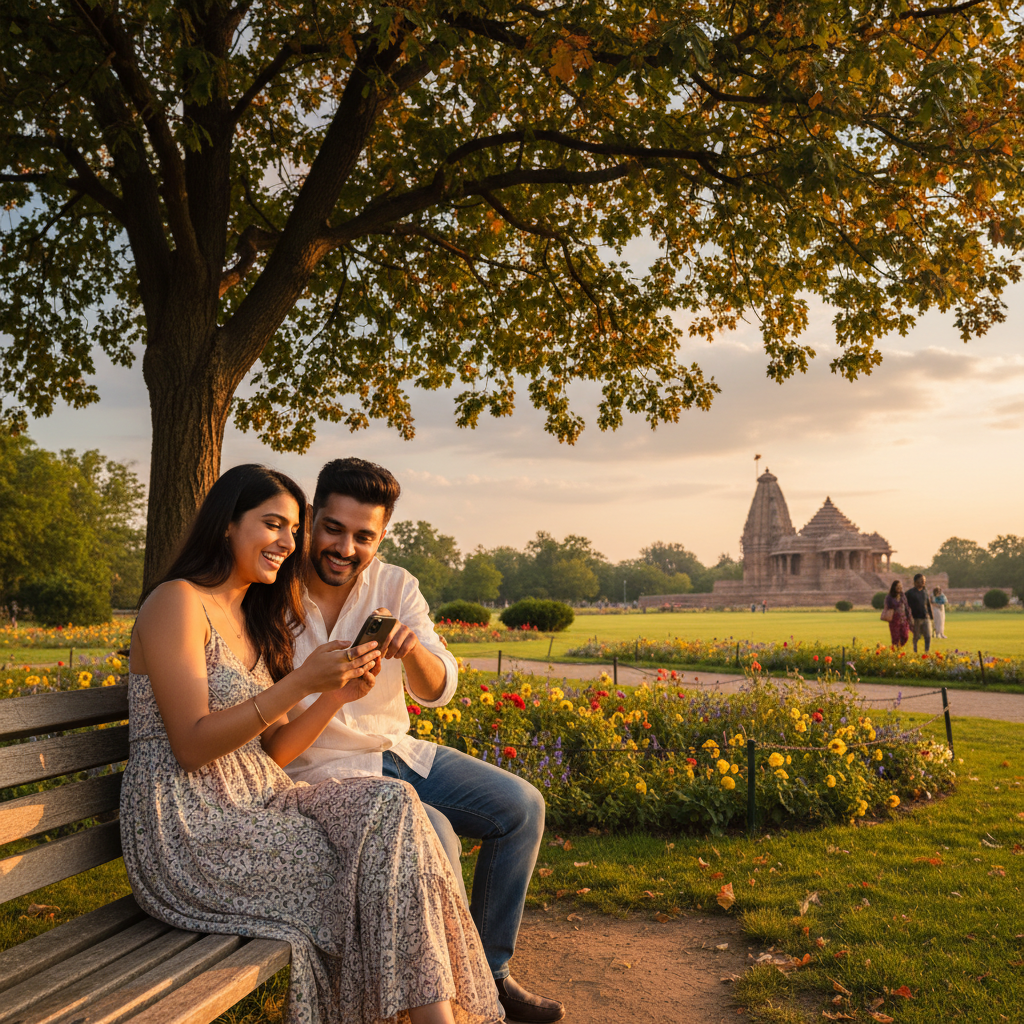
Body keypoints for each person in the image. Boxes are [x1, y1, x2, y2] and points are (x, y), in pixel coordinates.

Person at [120, 465, 501, 1024]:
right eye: (273, 524)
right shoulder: (177, 602)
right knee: (382, 866)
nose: (287, 543)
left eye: (294, 530)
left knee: (392, 806)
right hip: (191, 827)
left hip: (256, 802)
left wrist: (333, 695)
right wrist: (298, 684)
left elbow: (270, 752)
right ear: (226, 524)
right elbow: (192, 747)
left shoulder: (249, 615)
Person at [284, 458, 564, 1024]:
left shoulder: (394, 584)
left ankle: (490, 976)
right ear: (312, 519)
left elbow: (440, 688)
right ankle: (445, 997)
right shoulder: (274, 592)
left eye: (363, 536)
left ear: (380, 536)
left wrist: (411, 649)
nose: (345, 547)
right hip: (326, 771)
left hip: (398, 751)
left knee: (522, 806)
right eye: (333, 529)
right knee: (436, 835)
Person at [905, 573, 933, 653]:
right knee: (916, 636)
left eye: (924, 581)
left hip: (925, 617)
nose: (923, 582)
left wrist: (931, 616)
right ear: (915, 582)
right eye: (921, 581)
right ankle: (915, 651)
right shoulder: (910, 593)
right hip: (916, 618)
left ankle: (927, 651)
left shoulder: (925, 592)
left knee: (928, 635)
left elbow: (928, 604)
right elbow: (904, 604)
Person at [883, 580, 912, 648]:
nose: (899, 588)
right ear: (894, 587)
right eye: (898, 586)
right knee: (895, 637)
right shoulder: (890, 597)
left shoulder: (903, 596)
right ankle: (896, 651)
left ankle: (898, 648)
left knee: (905, 636)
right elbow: (887, 606)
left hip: (903, 618)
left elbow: (907, 606)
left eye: (900, 586)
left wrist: (909, 616)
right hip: (894, 619)